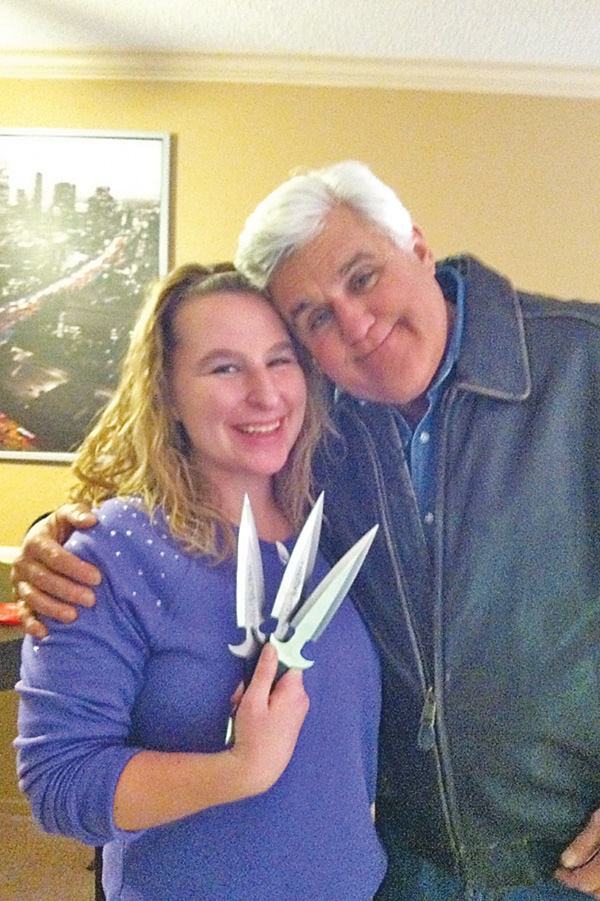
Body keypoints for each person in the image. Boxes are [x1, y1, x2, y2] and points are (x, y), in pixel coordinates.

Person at [12, 162, 600, 899]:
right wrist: (52, 536)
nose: (354, 323)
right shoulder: (313, 437)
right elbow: (62, 774)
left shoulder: (579, 368)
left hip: (562, 865)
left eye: (363, 276)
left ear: (417, 248)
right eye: (314, 318)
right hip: (408, 868)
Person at [14, 262, 386, 901]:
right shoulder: (111, 552)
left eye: (280, 360)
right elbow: (59, 784)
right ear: (167, 395)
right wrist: (239, 771)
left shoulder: (336, 530)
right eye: (225, 367)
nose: (265, 395)